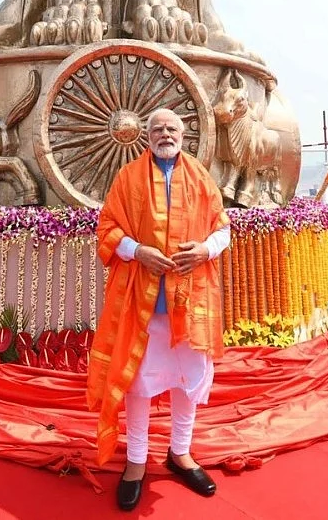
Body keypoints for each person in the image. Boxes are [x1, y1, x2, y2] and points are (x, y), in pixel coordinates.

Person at [87, 108, 232, 511]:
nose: (164, 134)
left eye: (171, 128)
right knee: (138, 383)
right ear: (146, 136)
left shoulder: (201, 177)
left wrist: (205, 250)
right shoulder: (128, 177)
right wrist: (137, 251)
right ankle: (136, 461)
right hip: (142, 302)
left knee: (188, 381)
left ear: (182, 135)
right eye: (157, 129)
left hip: (190, 300)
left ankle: (180, 452)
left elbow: (223, 229)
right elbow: (107, 229)